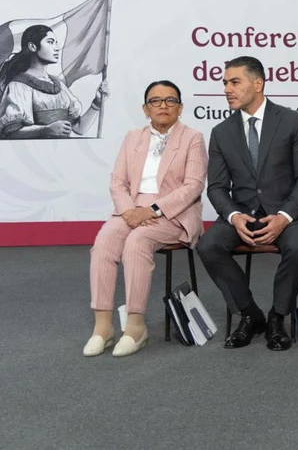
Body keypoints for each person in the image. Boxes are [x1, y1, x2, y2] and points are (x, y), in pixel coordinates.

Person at [197, 56, 298, 352]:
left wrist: (285, 216)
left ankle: (278, 316)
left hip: (290, 212)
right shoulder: (221, 132)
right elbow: (215, 187)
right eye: (225, 82)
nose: (227, 88)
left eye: (234, 82)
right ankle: (250, 314)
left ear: (258, 83)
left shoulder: (293, 121)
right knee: (208, 246)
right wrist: (233, 216)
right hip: (243, 213)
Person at [84, 81, 207, 357]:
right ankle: (102, 328)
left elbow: (193, 187)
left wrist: (151, 210)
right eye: (156, 101)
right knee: (104, 241)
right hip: (130, 209)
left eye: (170, 100)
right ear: (145, 109)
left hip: (173, 213)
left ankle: (136, 327)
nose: (163, 105)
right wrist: (129, 211)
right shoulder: (133, 137)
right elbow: (117, 182)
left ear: (180, 107)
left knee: (137, 241)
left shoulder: (193, 138)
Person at [0, 24, 108, 138]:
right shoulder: (18, 86)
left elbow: (79, 128)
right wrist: (45, 130)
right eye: (50, 42)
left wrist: (97, 103)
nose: (56, 48)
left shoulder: (59, 85)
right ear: (32, 47)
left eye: (56, 43)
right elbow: (10, 133)